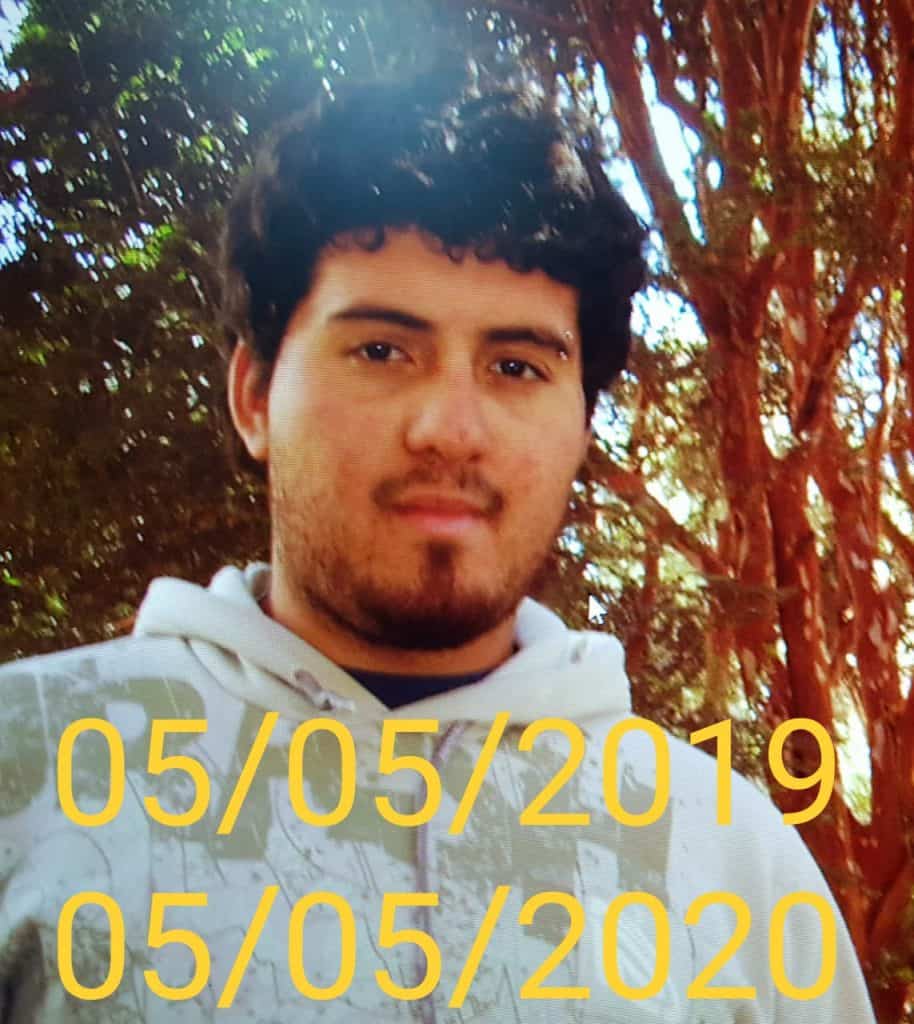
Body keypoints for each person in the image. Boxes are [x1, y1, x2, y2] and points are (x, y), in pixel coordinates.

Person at [0, 64, 875, 1024]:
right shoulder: (25, 774)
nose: (451, 429)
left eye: (517, 365)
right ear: (253, 397)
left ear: (583, 428)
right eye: (382, 350)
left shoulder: (730, 857)